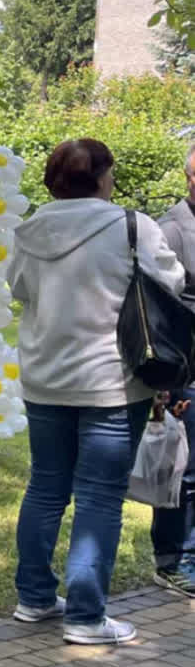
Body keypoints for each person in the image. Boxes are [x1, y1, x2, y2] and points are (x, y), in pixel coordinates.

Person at [7, 138, 183, 644]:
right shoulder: (131, 226)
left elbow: (18, 288)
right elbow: (171, 281)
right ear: (103, 178)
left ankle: (35, 598)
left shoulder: (30, 229)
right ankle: (86, 618)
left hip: (45, 378)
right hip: (112, 382)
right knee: (99, 498)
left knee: (45, 488)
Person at [151, 143, 195, 597]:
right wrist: (168, 384)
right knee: (186, 472)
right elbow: (161, 313)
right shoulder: (172, 231)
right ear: (189, 178)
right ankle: (173, 562)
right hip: (188, 372)